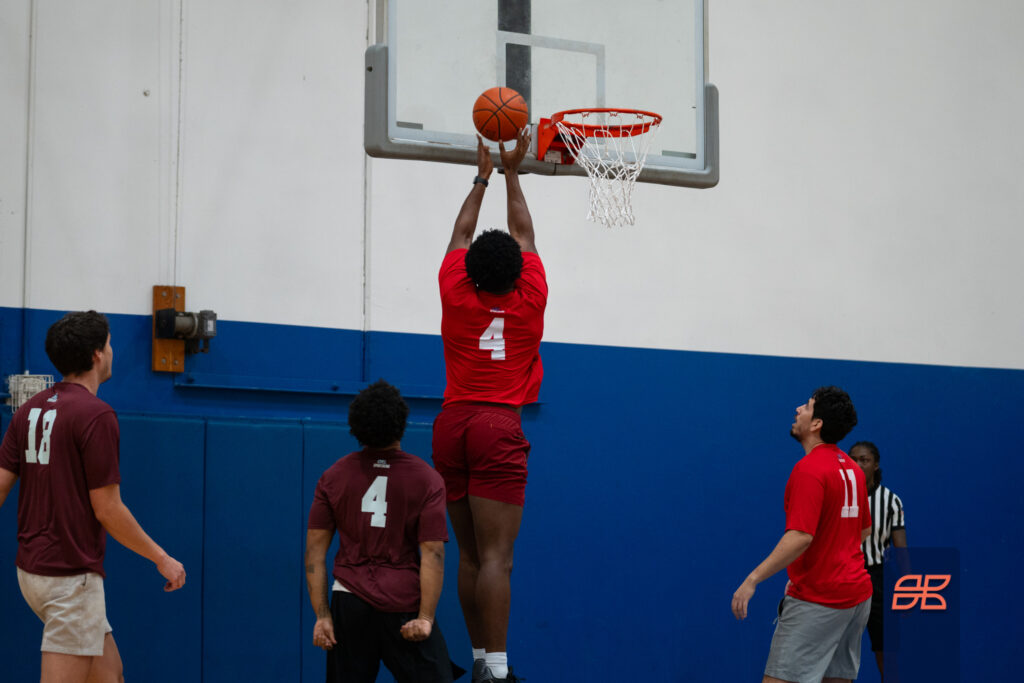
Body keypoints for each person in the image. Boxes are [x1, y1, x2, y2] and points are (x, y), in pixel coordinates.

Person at [0, 310, 186, 683]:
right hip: (69, 578)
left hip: (31, 573)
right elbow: (108, 509)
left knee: (109, 675)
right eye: (110, 344)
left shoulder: (29, 411)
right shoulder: (96, 415)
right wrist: (162, 558)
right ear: (97, 354)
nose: (113, 351)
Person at [432, 129, 545, 683]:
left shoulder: (455, 291)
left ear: (471, 270)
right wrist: (512, 171)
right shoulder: (531, 298)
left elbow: (460, 233)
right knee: (499, 558)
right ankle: (497, 672)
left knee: (472, 555)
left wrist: (480, 177)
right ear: (518, 273)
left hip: (451, 423)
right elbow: (523, 231)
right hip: (498, 423)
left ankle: (480, 658)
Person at [305, 380, 459, 683]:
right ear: (401, 424)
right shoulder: (427, 479)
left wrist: (322, 616)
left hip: (349, 601)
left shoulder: (333, 476)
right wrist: (425, 618)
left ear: (356, 426)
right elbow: (433, 553)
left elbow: (314, 554)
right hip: (402, 602)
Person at [732, 386, 872, 683]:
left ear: (816, 424)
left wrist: (752, 580)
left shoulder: (809, 469)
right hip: (857, 597)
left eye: (806, 407)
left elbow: (800, 536)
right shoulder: (853, 470)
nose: (798, 409)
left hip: (820, 599)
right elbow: (864, 530)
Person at [849, 440, 906, 678]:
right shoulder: (838, 497)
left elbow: (901, 551)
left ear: (876, 465)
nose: (858, 464)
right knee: (839, 650)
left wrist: (908, 588)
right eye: (853, 460)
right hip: (845, 576)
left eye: (864, 460)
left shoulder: (891, 500)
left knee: (886, 649)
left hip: (879, 579)